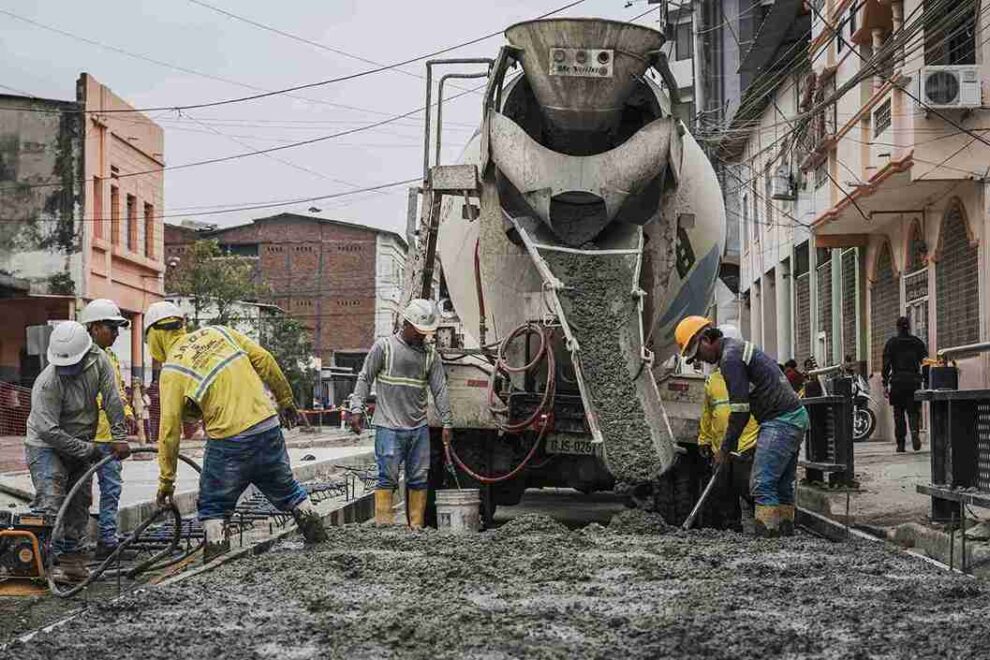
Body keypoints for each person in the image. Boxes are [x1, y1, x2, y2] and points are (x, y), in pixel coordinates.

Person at [144, 301, 326, 562]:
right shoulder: (219, 332)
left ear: (155, 336)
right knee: (288, 491)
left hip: (230, 441)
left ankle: (216, 564)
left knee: (214, 506)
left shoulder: (173, 370)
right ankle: (320, 541)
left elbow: (169, 432)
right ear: (181, 324)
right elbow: (264, 359)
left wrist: (166, 482)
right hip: (267, 426)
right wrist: (286, 400)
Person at [676, 315, 809, 537]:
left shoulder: (730, 359)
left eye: (698, 353)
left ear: (706, 339)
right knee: (782, 485)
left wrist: (724, 450)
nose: (701, 359)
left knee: (762, 484)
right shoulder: (735, 350)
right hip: (793, 417)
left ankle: (769, 541)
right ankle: (787, 538)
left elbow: (740, 412)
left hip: (780, 421)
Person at [25, 321, 131, 583]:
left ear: (85, 354)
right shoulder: (48, 383)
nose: (68, 369)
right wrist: (87, 449)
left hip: (82, 440)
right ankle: (41, 562)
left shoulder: (99, 360)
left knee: (80, 502)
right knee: (51, 501)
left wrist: (118, 436)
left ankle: (71, 561)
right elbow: (48, 431)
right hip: (46, 446)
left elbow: (112, 398)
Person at [349, 299, 453, 528]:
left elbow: (440, 389)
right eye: (418, 331)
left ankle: (415, 528)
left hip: (418, 429)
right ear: (406, 324)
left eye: (426, 333)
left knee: (418, 479)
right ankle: (384, 527)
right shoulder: (384, 348)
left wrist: (447, 422)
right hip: (388, 427)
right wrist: (356, 408)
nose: (422, 337)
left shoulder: (430, 356)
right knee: (387, 478)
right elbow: (365, 377)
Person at [79, 299, 135, 559]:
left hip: (110, 438)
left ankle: (107, 540)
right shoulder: (81, 357)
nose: (116, 334)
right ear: (93, 327)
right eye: (111, 328)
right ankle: (72, 545)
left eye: (117, 328)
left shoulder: (110, 357)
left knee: (111, 490)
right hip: (87, 438)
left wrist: (128, 414)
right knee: (79, 493)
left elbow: (118, 394)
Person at [696, 324, 760, 531]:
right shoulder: (712, 381)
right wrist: (704, 439)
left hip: (745, 445)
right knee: (724, 494)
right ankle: (732, 532)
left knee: (749, 490)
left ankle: (761, 528)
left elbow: (747, 410)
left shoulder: (744, 373)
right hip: (721, 447)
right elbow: (708, 412)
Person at [882, 316, 928, 452]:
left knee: (898, 413)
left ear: (897, 327)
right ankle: (915, 432)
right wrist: (926, 380)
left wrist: (885, 382)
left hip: (897, 382)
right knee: (914, 411)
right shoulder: (917, 342)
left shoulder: (891, 343)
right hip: (913, 381)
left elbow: (886, 365)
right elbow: (925, 361)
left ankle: (901, 444)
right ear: (909, 327)